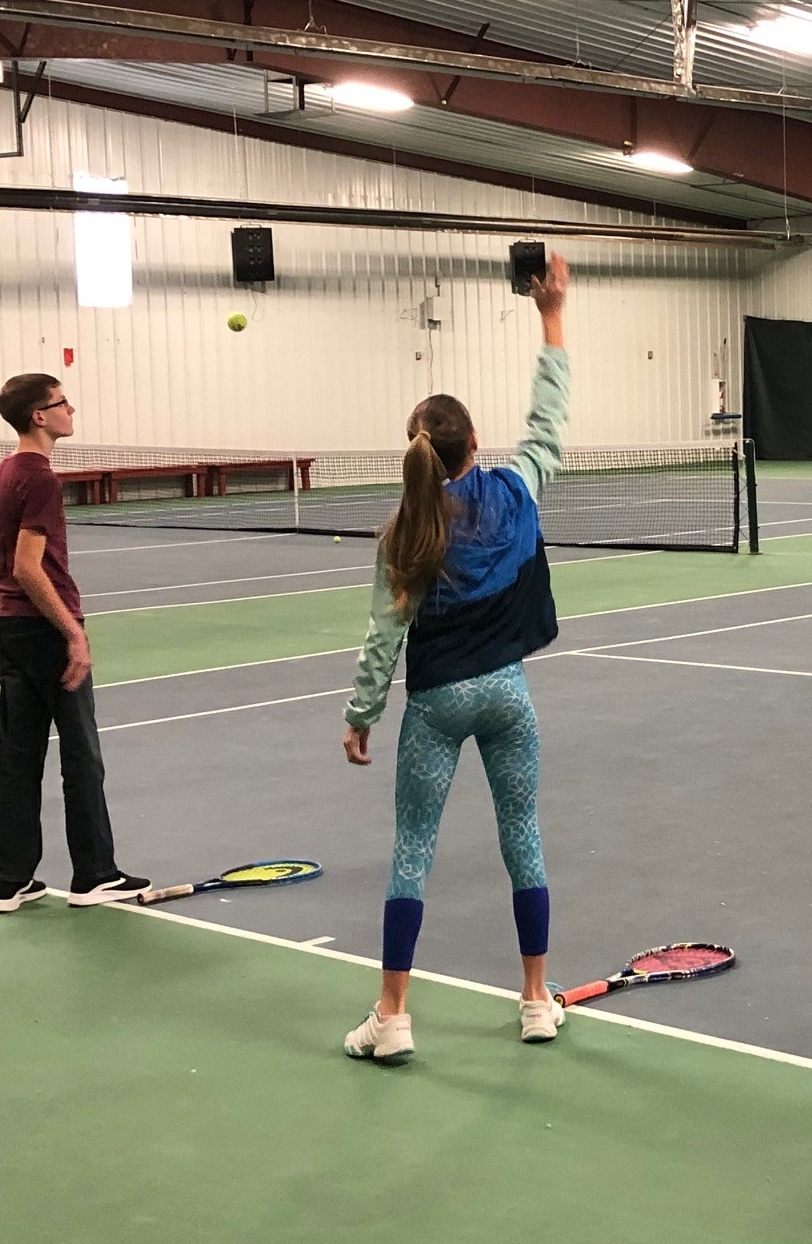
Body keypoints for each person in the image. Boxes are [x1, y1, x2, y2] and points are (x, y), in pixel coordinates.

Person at [339, 254, 572, 1065]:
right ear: (475, 443)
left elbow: (383, 637)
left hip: (436, 704)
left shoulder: (404, 532)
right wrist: (551, 315)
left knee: (412, 851)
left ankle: (392, 1016)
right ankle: (537, 999)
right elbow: (548, 423)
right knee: (523, 835)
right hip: (509, 695)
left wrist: (362, 714)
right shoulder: (515, 492)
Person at [0, 374, 147, 914]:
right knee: (81, 756)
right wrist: (73, 632)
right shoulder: (41, 481)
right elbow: (26, 568)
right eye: (61, 402)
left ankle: (10, 881)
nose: (72, 408)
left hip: (9, 628)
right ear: (39, 418)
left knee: (18, 759)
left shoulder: (2, 475)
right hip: (45, 630)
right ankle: (94, 874)